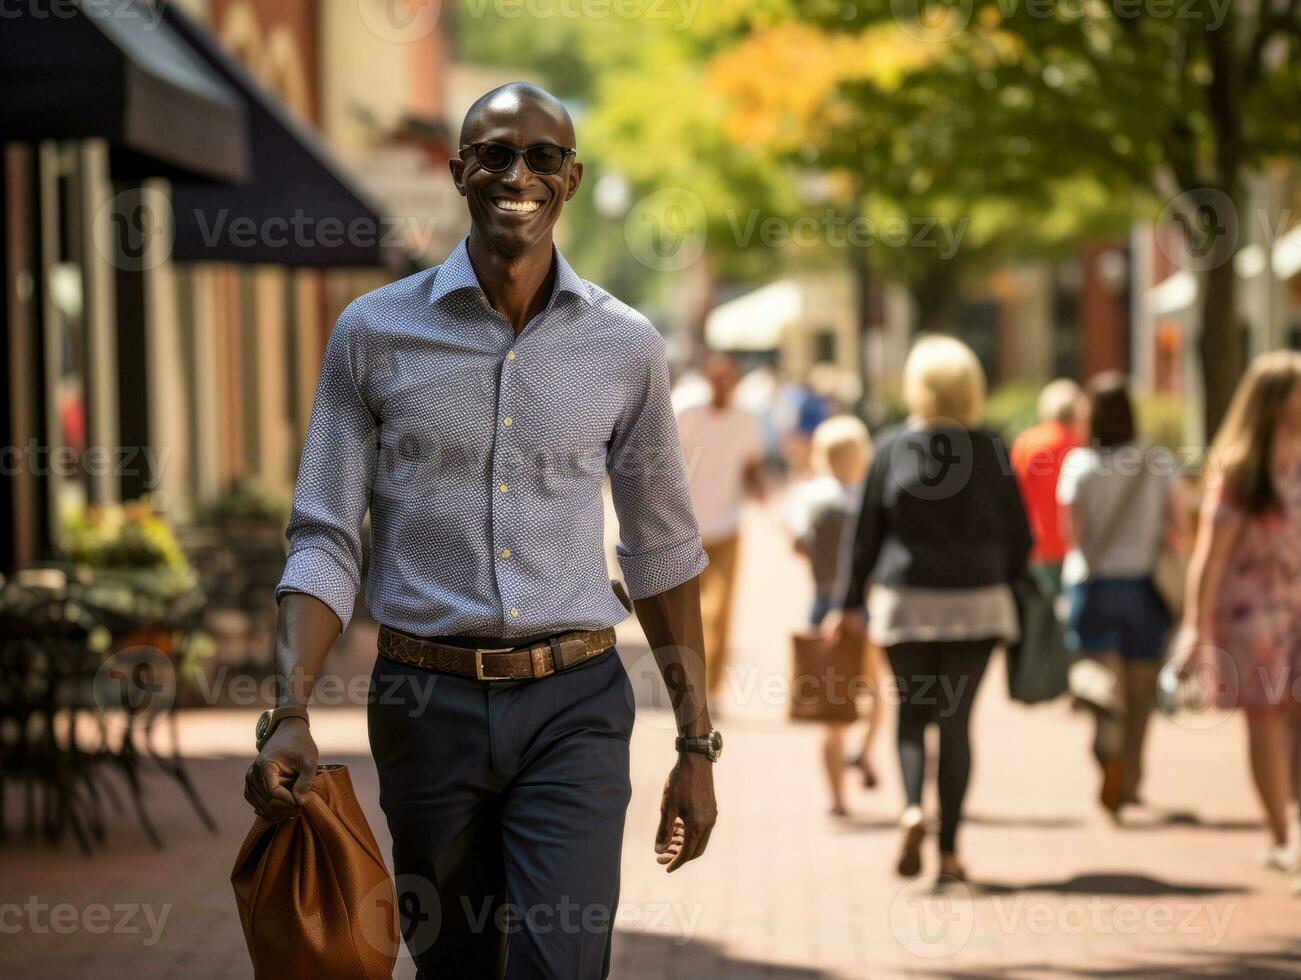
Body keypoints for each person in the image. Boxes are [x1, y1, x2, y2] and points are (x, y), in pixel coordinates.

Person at [244, 83, 721, 979]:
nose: (518, 174)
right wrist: (291, 709)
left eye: (542, 157)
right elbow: (325, 535)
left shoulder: (626, 346)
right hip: (426, 706)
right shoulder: (372, 334)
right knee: (454, 964)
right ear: (459, 170)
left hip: (573, 701)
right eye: (494, 153)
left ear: (570, 179)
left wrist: (695, 741)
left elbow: (660, 547)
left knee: (558, 964)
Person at [823, 335, 1032, 881]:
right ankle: (951, 852)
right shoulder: (991, 448)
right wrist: (1005, 578)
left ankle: (913, 807)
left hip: (907, 605)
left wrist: (846, 604)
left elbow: (864, 536)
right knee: (958, 723)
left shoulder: (890, 448)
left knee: (911, 717)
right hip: (978, 606)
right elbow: (1020, 535)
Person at [1178, 350, 1301, 877]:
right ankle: (1283, 834)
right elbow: (1208, 558)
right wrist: (1194, 628)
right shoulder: (1241, 469)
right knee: (1267, 720)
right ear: (1276, 402)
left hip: (1296, 606)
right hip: (1253, 614)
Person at [1057, 372, 1175, 819]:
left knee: (1102, 690)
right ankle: (1132, 775)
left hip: (1094, 586)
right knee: (1142, 693)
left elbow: (1073, 534)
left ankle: (1107, 749)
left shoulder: (1078, 466)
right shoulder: (1157, 461)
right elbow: (1176, 524)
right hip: (1145, 587)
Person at [785, 415, 884, 815]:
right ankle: (864, 751)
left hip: (823, 603)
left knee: (831, 711)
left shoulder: (808, 495)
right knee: (875, 691)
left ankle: (838, 799)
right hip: (866, 605)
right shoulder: (869, 496)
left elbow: (797, 545)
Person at [676, 354, 765, 703]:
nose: (724, 387)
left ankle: (711, 689)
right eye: (718, 379)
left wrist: (762, 492)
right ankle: (687, 680)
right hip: (685, 527)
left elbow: (751, 463)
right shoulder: (686, 409)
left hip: (727, 526)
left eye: (731, 380)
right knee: (689, 609)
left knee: (721, 609)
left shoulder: (746, 418)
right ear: (708, 379)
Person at [1011, 379, 1084, 592]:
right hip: (1074, 545)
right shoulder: (1081, 443)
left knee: (1037, 618)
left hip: (1037, 545)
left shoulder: (1027, 442)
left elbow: (1014, 495)